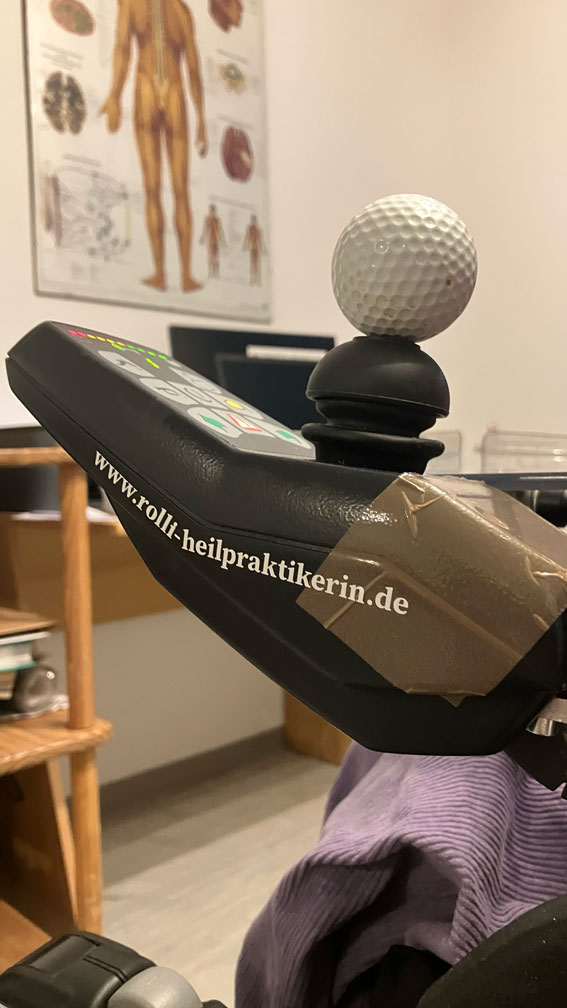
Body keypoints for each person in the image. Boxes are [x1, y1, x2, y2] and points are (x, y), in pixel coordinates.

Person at [100, 0, 208, 292]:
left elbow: (124, 49)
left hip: (152, 89)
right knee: (163, 188)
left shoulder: (167, 9)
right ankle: (174, 274)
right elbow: (191, 66)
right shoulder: (177, 11)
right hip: (168, 91)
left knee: (165, 189)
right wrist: (114, 96)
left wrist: (115, 95)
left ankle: (173, 274)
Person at [200, 204, 226, 278]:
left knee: (216, 257)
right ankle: (210, 272)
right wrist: (203, 238)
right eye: (211, 211)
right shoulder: (207, 219)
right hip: (210, 240)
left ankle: (216, 272)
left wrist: (223, 240)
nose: (212, 212)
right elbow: (205, 229)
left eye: (214, 211)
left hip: (216, 240)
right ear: (210, 211)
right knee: (210, 256)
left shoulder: (218, 220)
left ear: (215, 211)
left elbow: (220, 230)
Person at [243, 213, 266, 285]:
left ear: (256, 221)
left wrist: (263, 248)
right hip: (252, 248)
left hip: (257, 248)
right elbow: (247, 237)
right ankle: (252, 279)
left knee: (257, 264)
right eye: (252, 220)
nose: (253, 221)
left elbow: (261, 239)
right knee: (252, 263)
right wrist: (245, 245)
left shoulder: (258, 229)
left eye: (254, 220)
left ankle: (258, 279)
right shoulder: (249, 228)